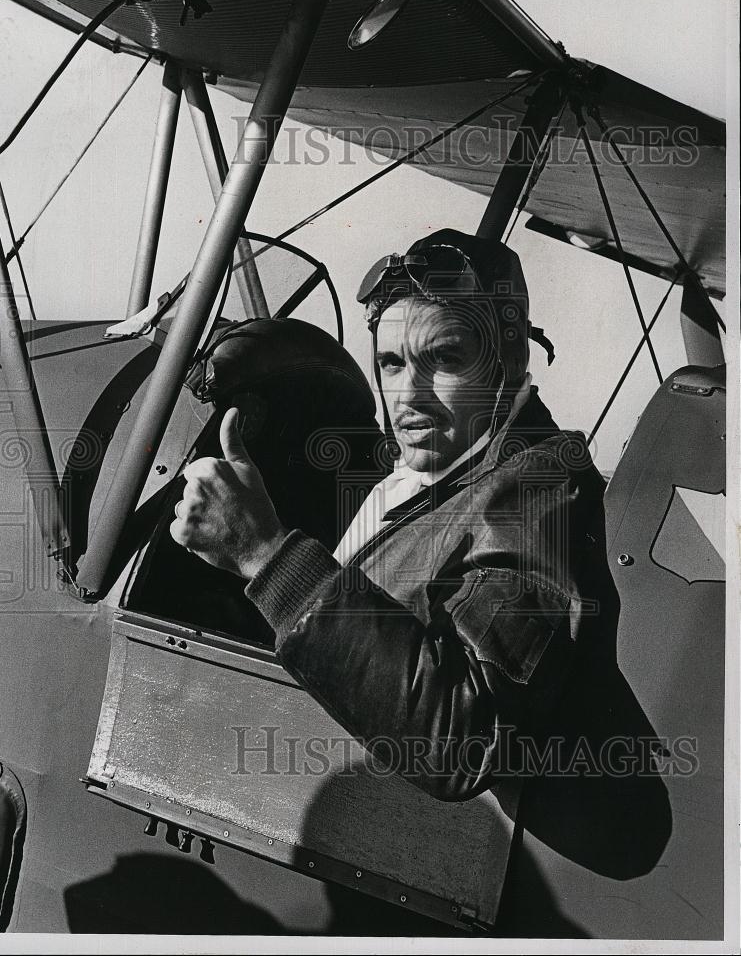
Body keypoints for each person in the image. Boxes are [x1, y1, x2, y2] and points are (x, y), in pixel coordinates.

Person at [170, 228, 618, 801]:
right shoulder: (440, 468)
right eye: (391, 363)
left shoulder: (540, 487)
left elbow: (469, 737)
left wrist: (265, 555)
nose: (409, 395)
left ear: (509, 357)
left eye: (444, 358)